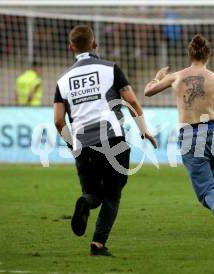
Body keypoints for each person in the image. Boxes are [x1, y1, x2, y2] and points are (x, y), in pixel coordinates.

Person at [53, 25, 157, 256]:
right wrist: (144, 130)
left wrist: (72, 145)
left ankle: (85, 202)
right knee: (112, 194)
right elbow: (132, 102)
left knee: (92, 193)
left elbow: (59, 121)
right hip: (112, 139)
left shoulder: (62, 81)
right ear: (95, 44)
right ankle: (98, 243)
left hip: (83, 143)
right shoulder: (110, 69)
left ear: (70, 47)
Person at [144, 34, 214, 238]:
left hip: (191, 135)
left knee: (205, 185)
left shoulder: (176, 77)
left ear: (190, 54)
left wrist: (158, 76)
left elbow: (148, 92)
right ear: (209, 54)